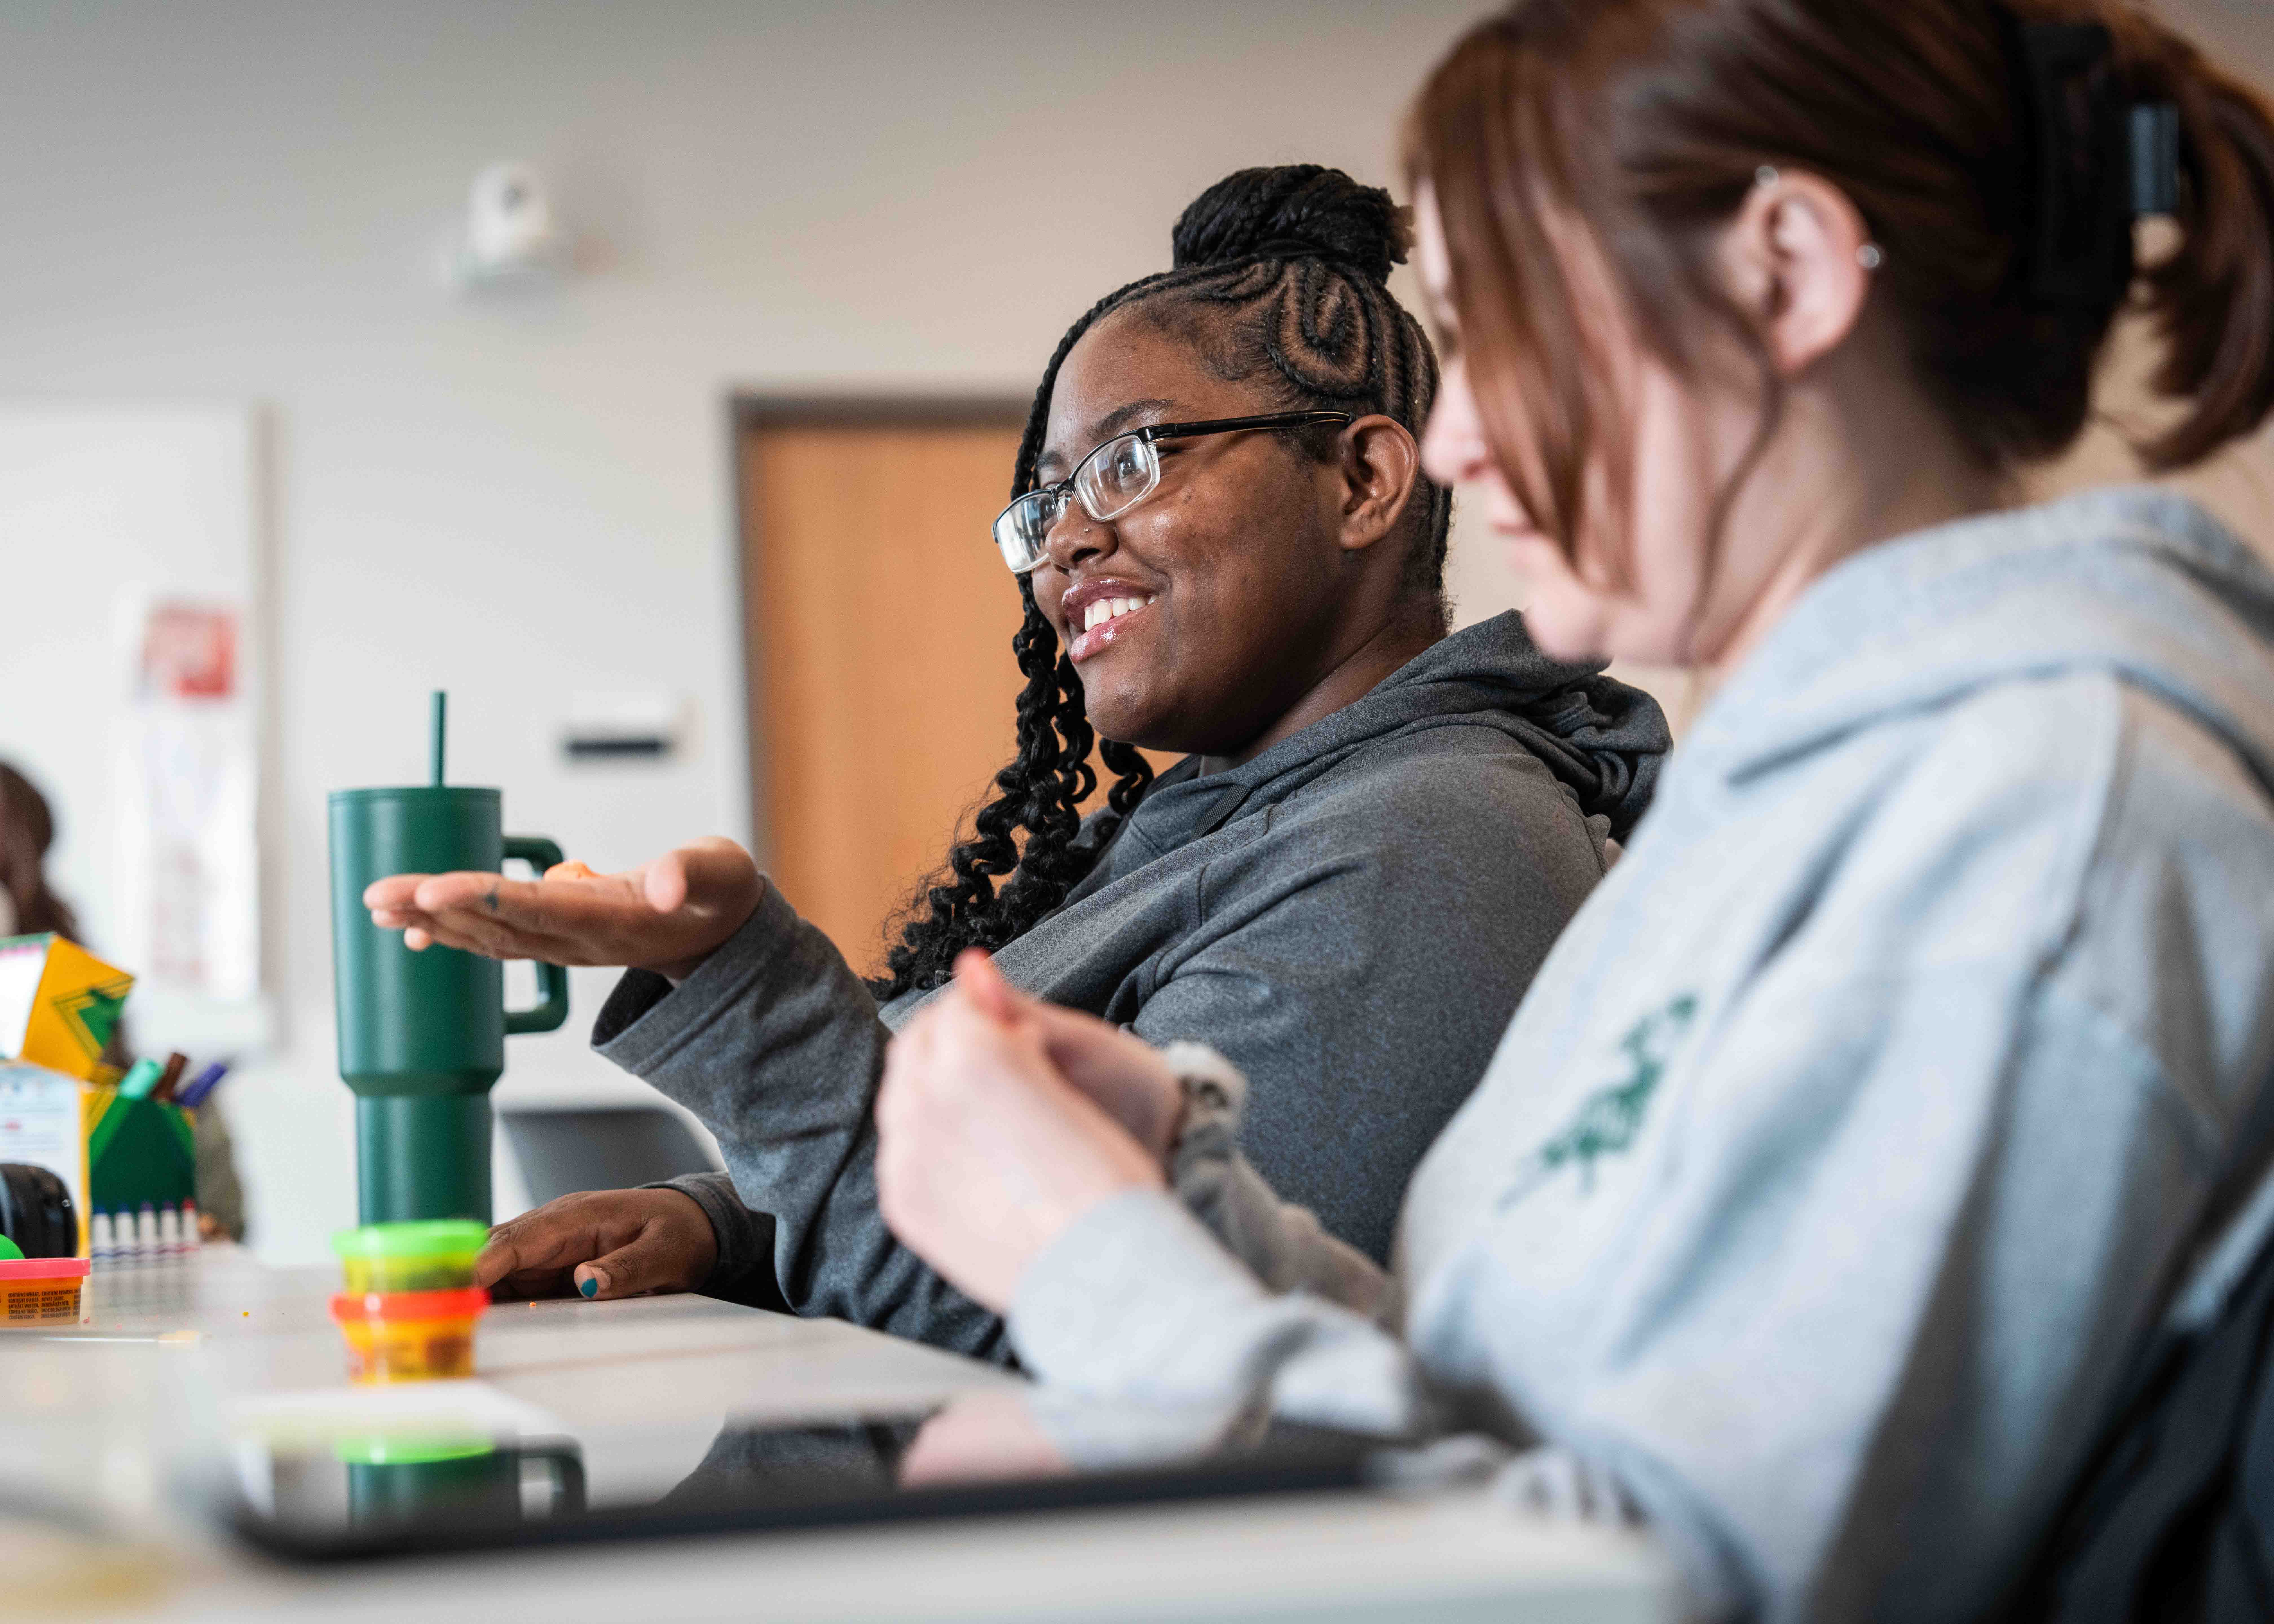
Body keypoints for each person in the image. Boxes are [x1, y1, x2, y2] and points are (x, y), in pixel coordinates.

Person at [868, 3, 2274, 1618]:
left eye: (1504, 327)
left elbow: (1678, 1583)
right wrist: (1185, 1200)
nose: (1455, 437)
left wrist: (1098, 1274)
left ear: (1791, 274)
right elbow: (1521, 1385)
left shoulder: (2049, 824)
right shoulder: (1772, 805)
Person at [365, 166, 1670, 1358]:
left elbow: (1096, 1340)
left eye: (1131, 460)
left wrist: (737, 982)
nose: (1066, 546)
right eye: (1048, 501)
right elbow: (1019, 1221)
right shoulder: (1231, 821)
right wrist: (728, 1225)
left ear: (1364, 479)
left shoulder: (1430, 845)